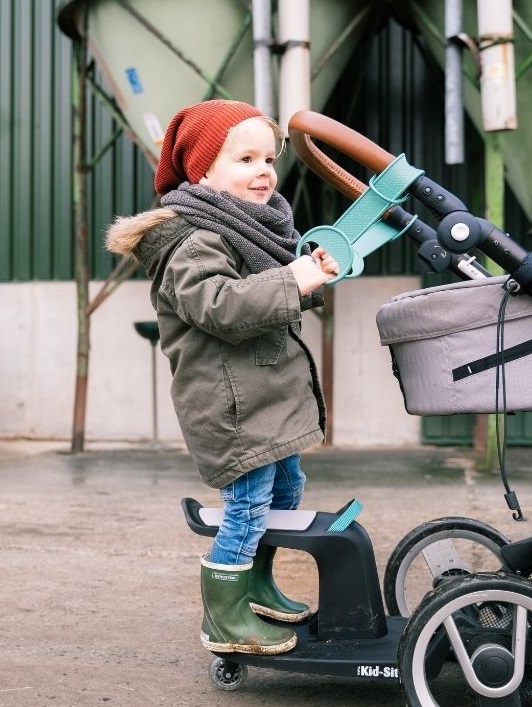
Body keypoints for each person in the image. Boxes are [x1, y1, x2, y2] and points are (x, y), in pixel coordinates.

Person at [106, 99, 339, 656]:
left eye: (268, 158)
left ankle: (256, 588)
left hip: (263, 396)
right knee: (248, 504)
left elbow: (269, 291)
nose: (263, 171)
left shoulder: (249, 227)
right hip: (231, 403)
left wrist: (309, 272)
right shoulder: (193, 240)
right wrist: (293, 280)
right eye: (245, 159)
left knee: (288, 488)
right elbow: (220, 305)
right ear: (203, 171)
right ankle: (224, 615)